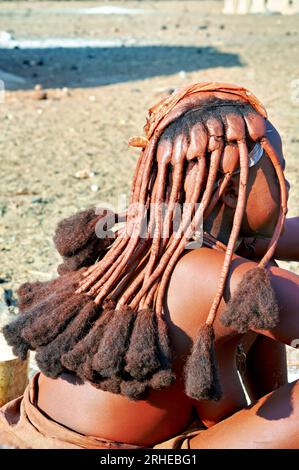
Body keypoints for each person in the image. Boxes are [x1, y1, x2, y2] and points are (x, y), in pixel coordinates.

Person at [1, 82, 299, 449]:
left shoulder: (141, 231)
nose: (286, 184)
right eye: (280, 173)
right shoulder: (223, 279)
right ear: (234, 191)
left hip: (31, 429)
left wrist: (261, 242)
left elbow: (276, 236)